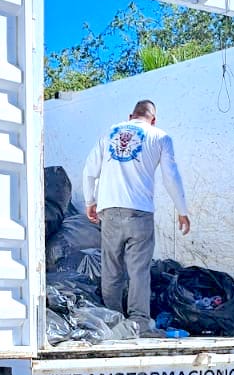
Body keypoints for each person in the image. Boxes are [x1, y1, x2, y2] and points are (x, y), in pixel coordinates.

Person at [81, 100, 192, 336]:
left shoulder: (110, 133)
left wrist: (90, 201)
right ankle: (139, 324)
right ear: (153, 119)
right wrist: (182, 210)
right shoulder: (160, 136)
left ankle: (112, 324)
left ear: (131, 116)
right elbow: (171, 176)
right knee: (138, 271)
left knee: (111, 269)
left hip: (110, 211)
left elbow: (90, 171)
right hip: (140, 213)